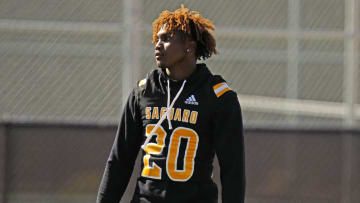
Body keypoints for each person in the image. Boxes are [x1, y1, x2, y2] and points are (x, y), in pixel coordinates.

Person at [97, 5, 245, 203]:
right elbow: (119, 160)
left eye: (166, 38)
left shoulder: (217, 96)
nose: (157, 45)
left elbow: (232, 169)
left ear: (189, 46)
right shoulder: (144, 91)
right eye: (157, 39)